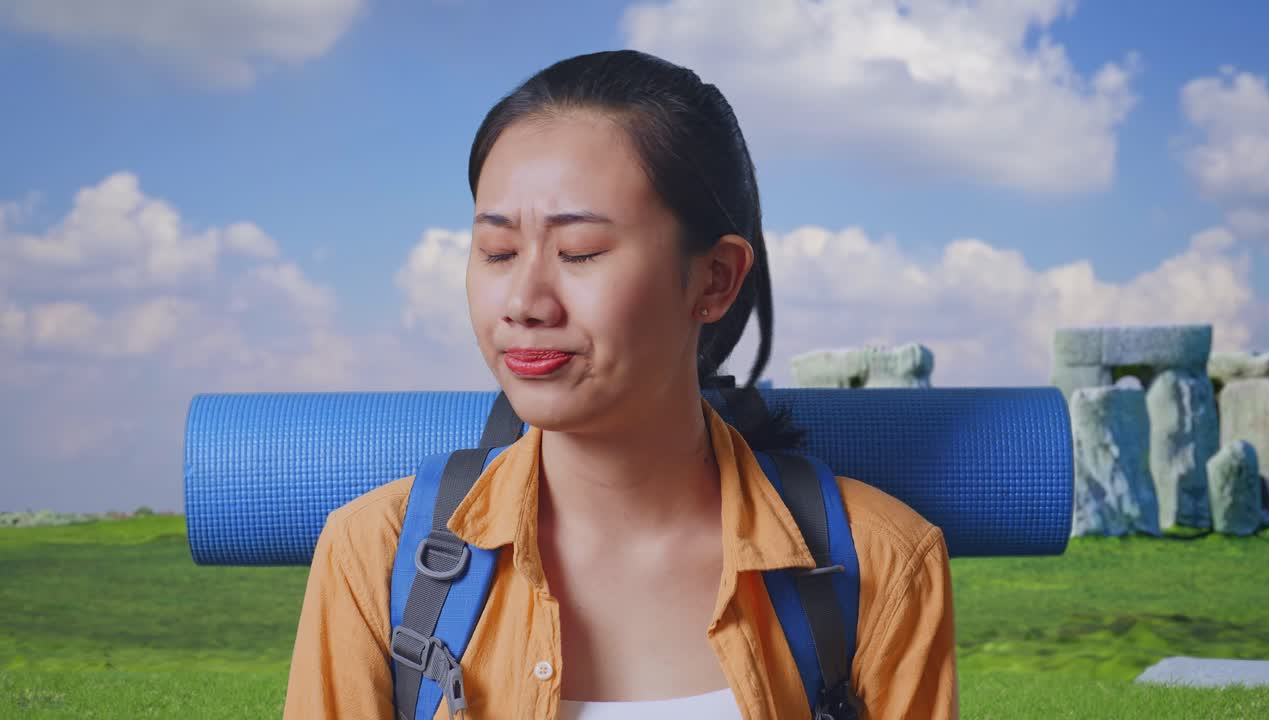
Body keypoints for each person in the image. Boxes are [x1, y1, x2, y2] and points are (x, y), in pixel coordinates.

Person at [283, 49, 957, 719]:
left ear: (715, 279)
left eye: (580, 253)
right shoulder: (373, 555)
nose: (523, 301)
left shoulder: (884, 563)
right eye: (497, 252)